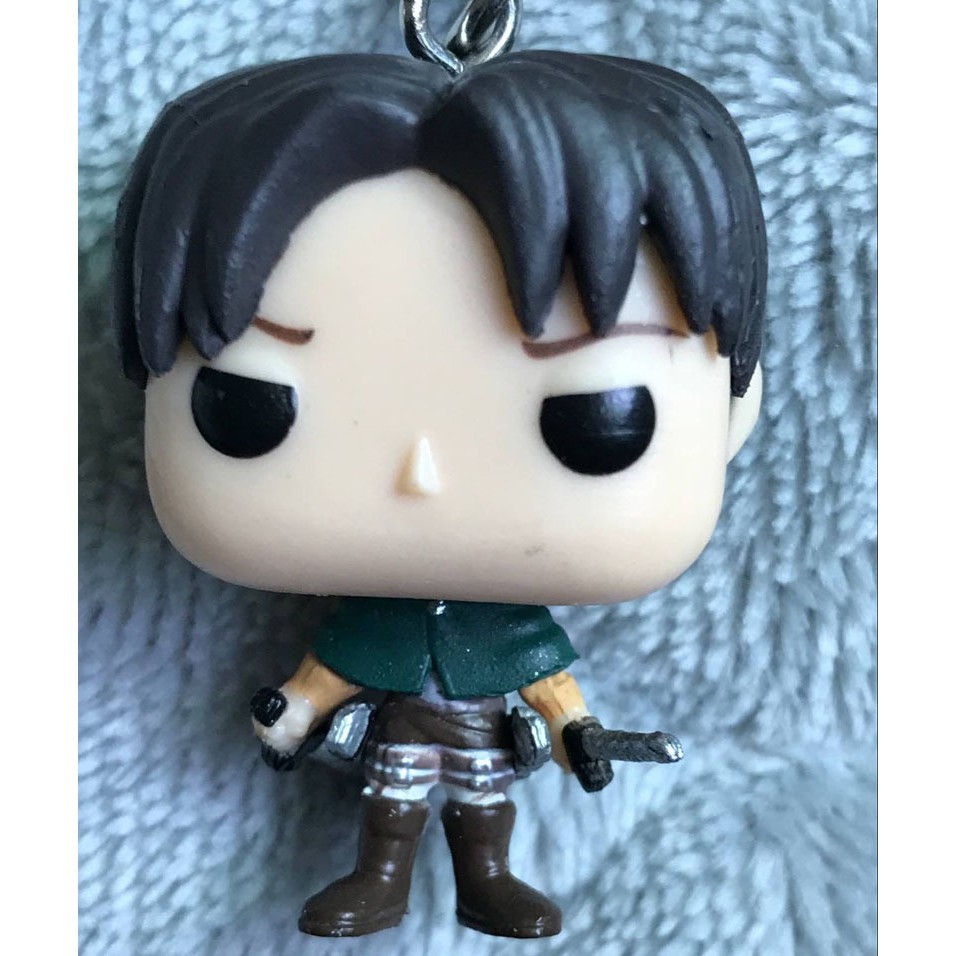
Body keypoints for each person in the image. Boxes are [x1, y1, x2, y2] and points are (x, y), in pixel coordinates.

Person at [113, 51, 767, 938]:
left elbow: (549, 682)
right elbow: (329, 670)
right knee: (392, 801)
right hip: (400, 733)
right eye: (249, 406)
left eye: (592, 417)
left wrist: (575, 732)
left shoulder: (505, 627)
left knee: (480, 802)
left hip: (478, 735)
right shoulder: (375, 622)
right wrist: (292, 713)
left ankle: (486, 878)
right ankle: (380, 879)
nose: (418, 475)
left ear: (736, 410)